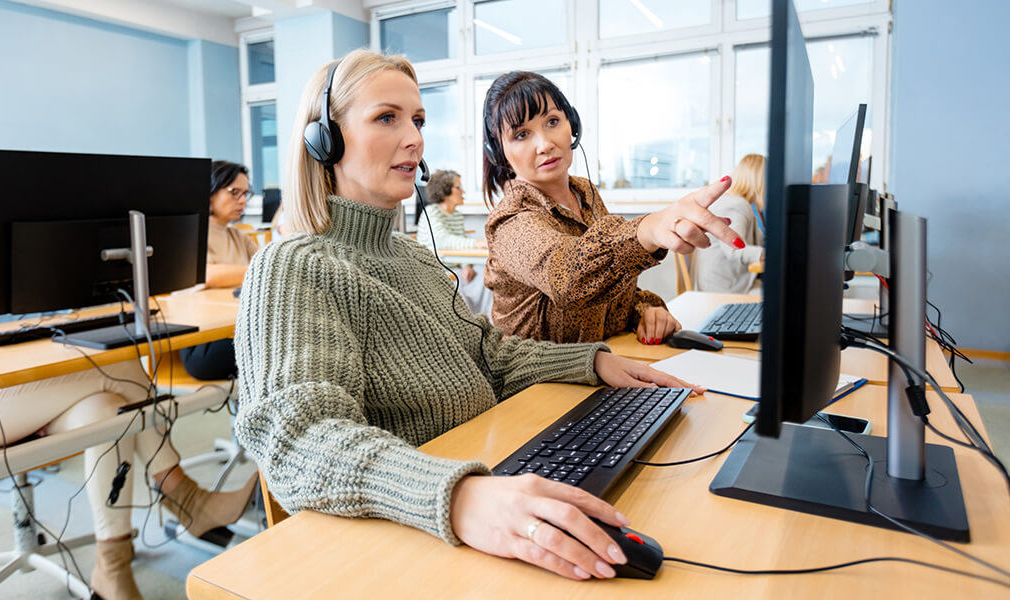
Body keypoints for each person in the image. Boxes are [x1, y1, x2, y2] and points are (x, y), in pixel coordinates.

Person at [233, 49, 706, 583]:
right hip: (409, 527)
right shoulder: (295, 265)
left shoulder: (413, 258)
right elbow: (298, 440)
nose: (414, 137)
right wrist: (461, 497)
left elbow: (489, 354)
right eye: (387, 118)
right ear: (326, 139)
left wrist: (593, 363)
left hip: (479, 478)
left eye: (418, 120)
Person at [0, 146, 257, 600]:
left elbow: (59, 316)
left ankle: (113, 565)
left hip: (32, 392)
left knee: (110, 409)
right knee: (117, 366)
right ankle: (184, 495)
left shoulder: (15, 247)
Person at [480, 72, 744, 346]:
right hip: (538, 385)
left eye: (553, 121)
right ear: (499, 152)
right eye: (521, 134)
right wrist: (647, 229)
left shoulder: (585, 194)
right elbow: (568, 279)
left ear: (573, 125)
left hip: (599, 370)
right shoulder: (510, 221)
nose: (545, 144)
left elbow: (608, 291)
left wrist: (644, 311)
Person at [179, 160, 257, 380]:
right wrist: (254, 271)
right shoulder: (191, 233)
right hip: (202, 345)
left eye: (245, 194)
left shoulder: (239, 237)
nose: (242, 201)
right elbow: (206, 275)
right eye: (234, 192)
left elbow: (271, 271)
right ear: (210, 192)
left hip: (234, 330)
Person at [415, 168, 492, 316]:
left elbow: (460, 240)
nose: (463, 192)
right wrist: (476, 244)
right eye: (459, 188)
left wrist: (467, 265)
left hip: (456, 267)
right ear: (445, 191)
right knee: (457, 286)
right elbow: (444, 240)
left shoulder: (456, 215)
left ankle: (486, 322)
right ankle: (470, 326)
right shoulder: (431, 212)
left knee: (488, 276)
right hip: (438, 271)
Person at [691, 154, 767, 293]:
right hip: (724, 288)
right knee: (779, 295)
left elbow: (759, 240)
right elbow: (734, 250)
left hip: (728, 281)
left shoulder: (741, 203)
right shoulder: (736, 205)